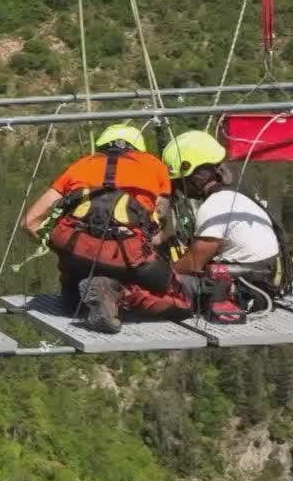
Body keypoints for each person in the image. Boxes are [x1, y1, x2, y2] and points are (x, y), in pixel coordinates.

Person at [20, 122, 177, 332]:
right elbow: (162, 221)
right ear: (139, 147)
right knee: (167, 286)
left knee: (71, 306)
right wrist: (161, 240)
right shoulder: (153, 165)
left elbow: (29, 222)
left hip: (77, 257)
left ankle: (83, 294)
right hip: (127, 256)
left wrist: (62, 248)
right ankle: (118, 291)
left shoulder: (79, 165)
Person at [162, 129, 288, 323]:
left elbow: (193, 263)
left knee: (164, 285)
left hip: (248, 288)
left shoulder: (215, 206)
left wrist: (165, 272)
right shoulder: (235, 194)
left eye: (180, 181)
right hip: (264, 279)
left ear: (195, 176)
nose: (179, 189)